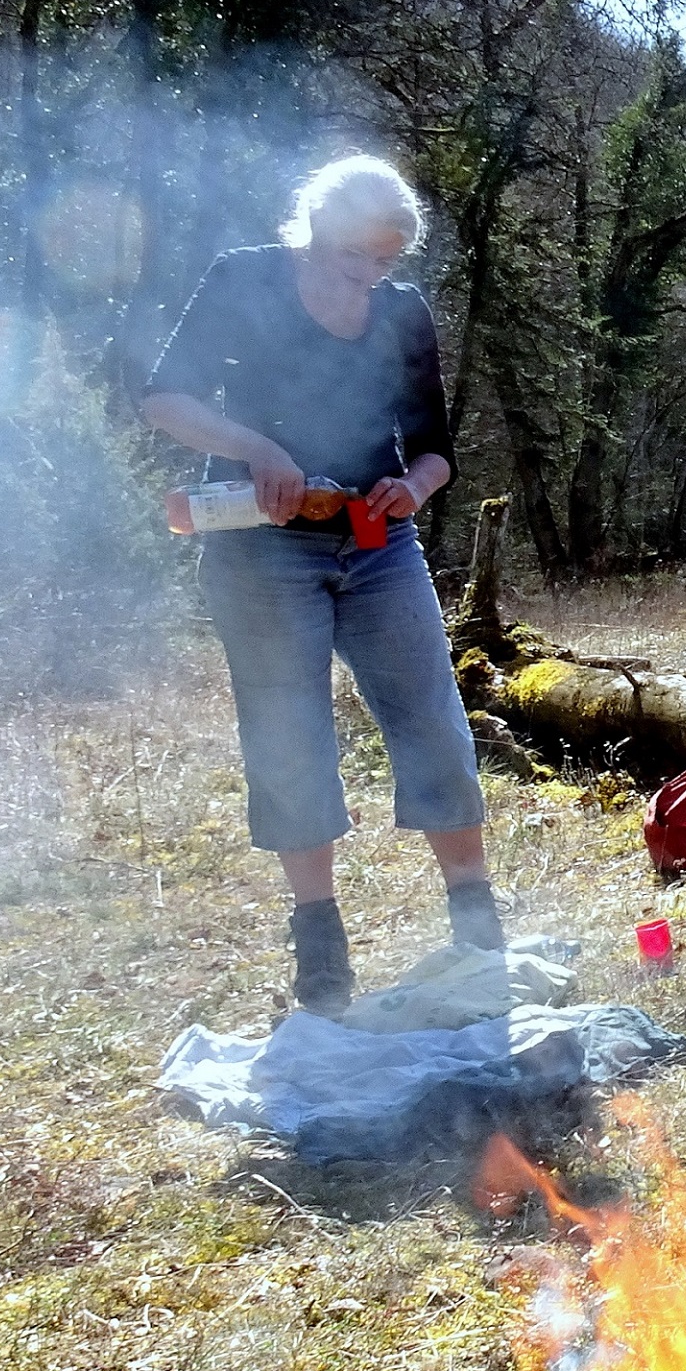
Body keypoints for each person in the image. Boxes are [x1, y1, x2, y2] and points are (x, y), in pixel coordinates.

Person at [144, 154, 498, 1018]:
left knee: (434, 722)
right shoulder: (244, 280)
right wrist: (256, 449)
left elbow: (433, 443)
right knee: (289, 737)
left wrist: (413, 487)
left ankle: (477, 927)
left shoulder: (403, 312)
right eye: (356, 254)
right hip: (262, 550)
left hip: (379, 548)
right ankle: (320, 942)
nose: (371, 273)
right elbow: (163, 397)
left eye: (386, 259)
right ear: (315, 228)